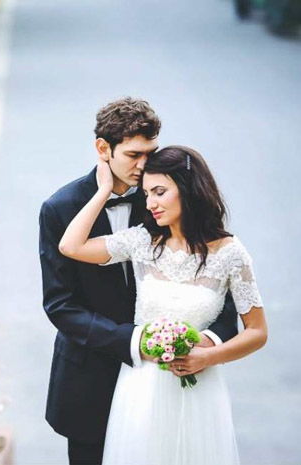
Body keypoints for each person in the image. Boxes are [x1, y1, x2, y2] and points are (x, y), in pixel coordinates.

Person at [38, 97, 239, 465]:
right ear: (103, 149)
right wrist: (136, 342)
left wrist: (205, 344)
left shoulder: (167, 200)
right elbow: (60, 305)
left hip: (171, 389)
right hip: (91, 382)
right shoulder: (60, 209)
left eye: (151, 152)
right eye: (133, 155)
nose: (145, 165)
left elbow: (220, 292)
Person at [58, 145, 268, 465]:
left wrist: (208, 356)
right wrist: (102, 192)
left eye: (159, 192)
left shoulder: (231, 253)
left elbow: (257, 332)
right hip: (140, 389)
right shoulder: (143, 242)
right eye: (146, 194)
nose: (151, 203)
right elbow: (70, 246)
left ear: (188, 188)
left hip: (199, 389)